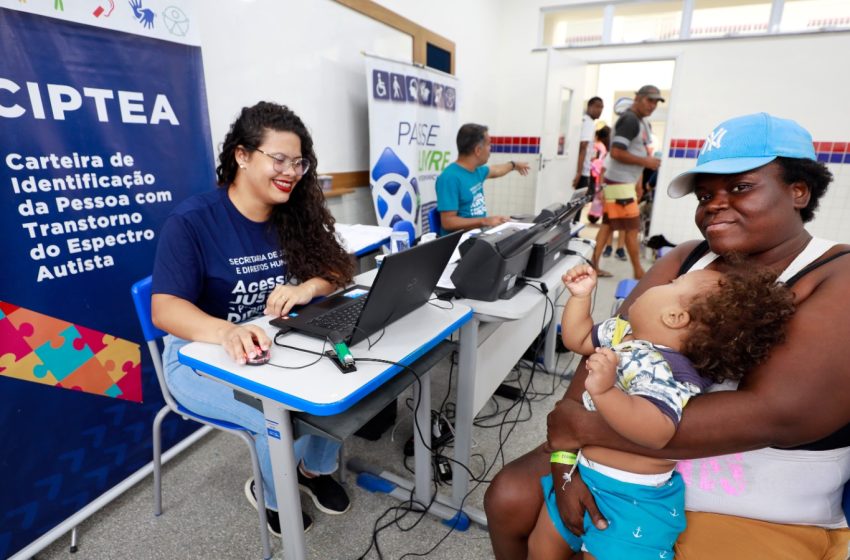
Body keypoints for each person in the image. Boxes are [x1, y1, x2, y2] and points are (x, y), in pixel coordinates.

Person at [484, 112, 850, 560]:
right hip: (621, 455)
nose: (715, 204)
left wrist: (580, 427)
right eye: (705, 194)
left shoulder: (836, 274)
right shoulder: (686, 259)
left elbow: (781, 414)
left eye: (740, 187)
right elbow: (610, 346)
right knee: (508, 496)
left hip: (756, 493)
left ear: (798, 191)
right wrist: (565, 463)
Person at [151, 101, 356, 536]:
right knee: (275, 414)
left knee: (343, 375)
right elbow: (165, 309)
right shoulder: (192, 221)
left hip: (273, 342)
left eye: (298, 162)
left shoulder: (293, 213)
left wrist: (306, 288)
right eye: (278, 159)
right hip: (196, 355)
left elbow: (338, 270)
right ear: (242, 155)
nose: (291, 171)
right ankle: (274, 493)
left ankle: (313, 471)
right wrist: (227, 330)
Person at [529, 263, 794, 560]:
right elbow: (576, 339)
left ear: (674, 317)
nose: (661, 282)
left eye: (673, 283)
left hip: (633, 502)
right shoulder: (622, 332)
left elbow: (656, 431)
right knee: (541, 547)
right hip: (584, 473)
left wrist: (606, 393)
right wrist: (580, 297)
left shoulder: (671, 372)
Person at [591, 85, 664, 279]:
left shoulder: (641, 121)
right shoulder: (630, 120)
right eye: (650, 100)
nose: (653, 105)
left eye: (656, 101)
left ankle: (593, 266)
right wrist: (646, 162)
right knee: (632, 228)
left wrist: (638, 182)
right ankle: (639, 273)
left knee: (607, 226)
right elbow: (616, 152)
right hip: (619, 184)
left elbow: (636, 151)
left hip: (623, 183)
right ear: (637, 98)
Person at [436, 123, 531, 233]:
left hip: (477, 236)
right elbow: (448, 222)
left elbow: (497, 170)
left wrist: (514, 165)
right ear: (478, 150)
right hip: (458, 244)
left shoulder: (476, 171)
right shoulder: (449, 178)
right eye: (489, 144)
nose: (491, 148)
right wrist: (485, 221)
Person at [573, 97, 604, 191]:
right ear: (589, 107)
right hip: (583, 172)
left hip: (582, 170)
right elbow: (583, 146)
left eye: (602, 107)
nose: (600, 110)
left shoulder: (583, 120)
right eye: (597, 107)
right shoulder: (589, 123)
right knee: (579, 203)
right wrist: (579, 172)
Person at [587, 126, 610, 225]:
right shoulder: (601, 147)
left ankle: (594, 214)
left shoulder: (596, 145)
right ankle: (595, 214)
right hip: (598, 173)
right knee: (599, 197)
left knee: (597, 196)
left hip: (594, 172)